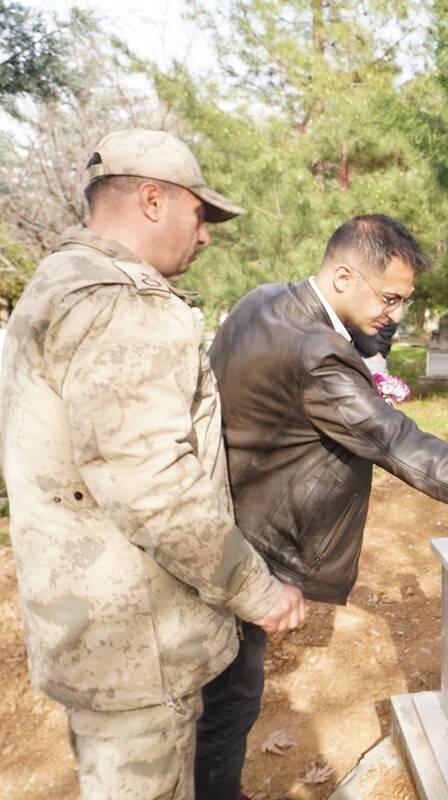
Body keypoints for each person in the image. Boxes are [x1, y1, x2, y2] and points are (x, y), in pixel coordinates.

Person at [197, 214, 448, 797]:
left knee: (217, 698)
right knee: (229, 706)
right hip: (255, 538)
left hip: (224, 516)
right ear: (343, 276)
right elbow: (406, 449)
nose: (397, 314)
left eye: (404, 300)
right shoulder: (318, 354)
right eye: (389, 298)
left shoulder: (263, 300)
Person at [0, 129, 305, 800]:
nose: (206, 236)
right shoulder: (123, 305)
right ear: (151, 200)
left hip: (92, 629)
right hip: (141, 645)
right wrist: (257, 591)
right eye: (200, 215)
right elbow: (153, 486)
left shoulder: (56, 284)